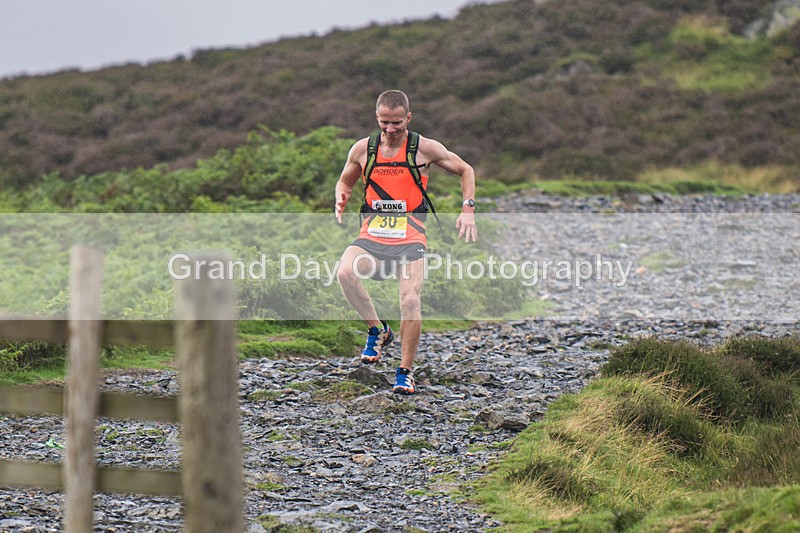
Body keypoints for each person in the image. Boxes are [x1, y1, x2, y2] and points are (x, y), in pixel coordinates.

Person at [334, 90, 477, 395]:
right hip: (372, 235)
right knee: (345, 272)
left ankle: (405, 371)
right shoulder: (364, 149)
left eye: (397, 123)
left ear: (408, 118)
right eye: (385, 122)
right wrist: (341, 194)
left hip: (410, 236)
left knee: (410, 300)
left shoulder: (424, 148)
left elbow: (466, 169)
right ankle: (378, 329)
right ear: (377, 118)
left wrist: (468, 209)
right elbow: (345, 179)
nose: (390, 129)